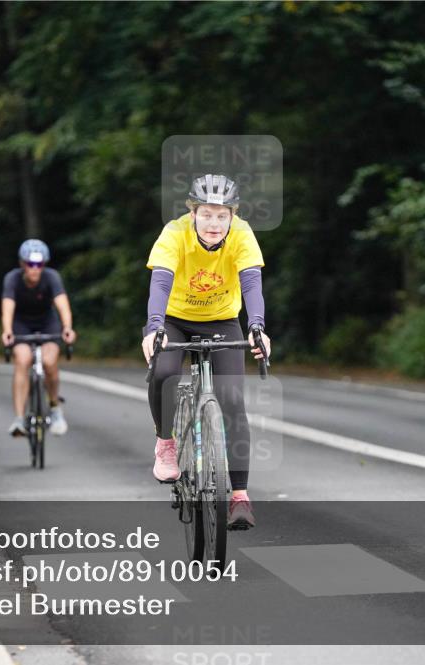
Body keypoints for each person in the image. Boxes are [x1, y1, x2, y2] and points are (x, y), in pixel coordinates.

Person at [142, 174, 271, 530]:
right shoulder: (174, 233)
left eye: (222, 215)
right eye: (206, 214)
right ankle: (166, 442)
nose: (214, 223)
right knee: (166, 372)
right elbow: (161, 281)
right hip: (175, 319)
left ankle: (240, 498)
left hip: (222, 320)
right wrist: (154, 327)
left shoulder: (242, 234)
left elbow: (251, 283)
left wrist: (257, 326)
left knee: (232, 401)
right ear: (193, 212)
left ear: (233, 215)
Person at [1, 239, 77, 437]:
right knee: (22, 359)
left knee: (50, 361)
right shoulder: (12, 279)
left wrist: (67, 328)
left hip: (47, 323)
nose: (35, 269)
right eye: (30, 264)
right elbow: (8, 307)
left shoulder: (51, 277)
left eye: (39, 264)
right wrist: (7, 330)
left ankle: (54, 407)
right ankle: (19, 419)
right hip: (21, 324)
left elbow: (62, 304)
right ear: (22, 264)